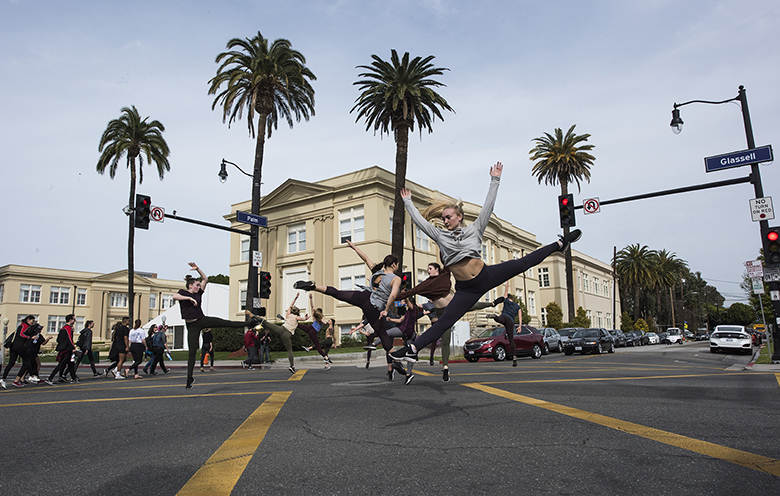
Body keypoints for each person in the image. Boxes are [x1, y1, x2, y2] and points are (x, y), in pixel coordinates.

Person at [391, 162, 581, 363]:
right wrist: (408, 202)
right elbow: (422, 223)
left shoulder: (474, 229)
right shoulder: (440, 236)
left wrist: (495, 180)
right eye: (443, 218)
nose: (445, 221)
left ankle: (559, 244)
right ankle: (412, 348)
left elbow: (488, 208)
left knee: (523, 263)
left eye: (448, 217)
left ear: (459, 216)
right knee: (445, 321)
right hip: (466, 290)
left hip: (486, 276)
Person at [397, 262, 502, 382]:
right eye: (428, 269)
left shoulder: (444, 275)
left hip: (453, 306)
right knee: (445, 340)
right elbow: (413, 292)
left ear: (437, 269)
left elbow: (447, 261)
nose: (428, 271)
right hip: (442, 313)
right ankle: (445, 368)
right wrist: (395, 296)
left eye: (430, 268)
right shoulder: (426, 283)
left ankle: (492, 303)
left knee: (470, 305)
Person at [294, 239, 401, 354]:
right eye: (398, 265)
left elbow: (365, 258)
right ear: (394, 264)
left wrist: (353, 247)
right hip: (373, 307)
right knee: (382, 333)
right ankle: (396, 358)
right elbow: (393, 294)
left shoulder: (377, 271)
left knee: (338, 293)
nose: (398, 267)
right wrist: (385, 310)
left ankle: (314, 287)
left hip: (363, 296)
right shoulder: (396, 278)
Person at [173, 262, 250, 389]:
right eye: (197, 285)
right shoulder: (183, 293)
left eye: (199, 285)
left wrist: (198, 269)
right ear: (190, 286)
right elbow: (175, 296)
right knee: (192, 351)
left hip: (201, 320)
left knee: (225, 323)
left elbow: (205, 279)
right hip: (192, 326)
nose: (199, 286)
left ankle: (249, 323)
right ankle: (189, 379)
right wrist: (189, 299)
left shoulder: (198, 293)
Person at [296, 293, 333, 368]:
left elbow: (312, 307)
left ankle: (326, 358)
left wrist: (311, 299)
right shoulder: (320, 318)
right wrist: (328, 323)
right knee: (318, 347)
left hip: (311, 329)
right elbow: (324, 321)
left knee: (299, 326)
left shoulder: (318, 318)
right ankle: (326, 358)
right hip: (312, 330)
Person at [491, 283, 523, 367]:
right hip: (510, 322)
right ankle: (514, 356)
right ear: (513, 299)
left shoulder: (506, 300)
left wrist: (507, 282)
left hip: (504, 316)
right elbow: (520, 316)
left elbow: (505, 290)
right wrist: (520, 326)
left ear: (508, 298)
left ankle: (495, 317)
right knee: (511, 339)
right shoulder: (517, 306)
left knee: (499, 319)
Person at [2, 315, 36, 389]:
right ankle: (32, 376)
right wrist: (30, 337)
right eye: (32, 321)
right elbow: (21, 334)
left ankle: (3, 379)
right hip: (19, 345)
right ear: (28, 320)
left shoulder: (21, 325)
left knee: (11, 363)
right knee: (27, 360)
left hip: (13, 345)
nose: (33, 322)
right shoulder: (25, 326)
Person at [45, 314, 78, 385]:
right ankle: (50, 378)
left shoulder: (63, 328)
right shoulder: (68, 328)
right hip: (67, 349)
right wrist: (73, 347)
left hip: (63, 348)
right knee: (62, 364)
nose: (74, 321)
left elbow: (58, 339)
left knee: (70, 363)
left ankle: (72, 377)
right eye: (74, 319)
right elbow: (69, 338)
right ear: (70, 320)